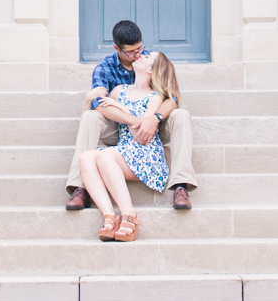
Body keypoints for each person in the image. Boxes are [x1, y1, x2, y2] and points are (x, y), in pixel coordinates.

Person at [65, 19, 196, 211]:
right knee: (89, 117)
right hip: (119, 129)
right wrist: (133, 119)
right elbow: (99, 105)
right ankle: (80, 188)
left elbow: (172, 97)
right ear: (117, 48)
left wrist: (154, 119)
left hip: (153, 128)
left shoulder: (148, 58)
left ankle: (181, 185)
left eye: (140, 49)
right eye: (132, 52)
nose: (138, 54)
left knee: (181, 115)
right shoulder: (105, 68)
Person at [77, 50, 181, 241]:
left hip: (146, 156)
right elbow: (93, 115)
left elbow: (141, 138)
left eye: (148, 57)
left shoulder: (155, 97)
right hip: (123, 152)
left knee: (104, 155)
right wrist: (87, 101)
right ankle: (109, 215)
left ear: (151, 70)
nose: (141, 55)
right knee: (85, 158)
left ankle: (129, 214)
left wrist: (123, 109)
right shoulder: (118, 91)